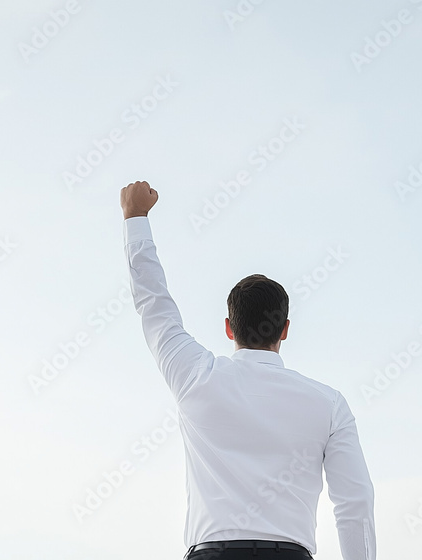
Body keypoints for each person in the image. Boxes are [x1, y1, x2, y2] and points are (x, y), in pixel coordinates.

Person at [120, 181, 376, 560]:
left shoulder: (195, 376)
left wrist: (135, 218)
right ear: (285, 329)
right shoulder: (330, 404)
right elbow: (355, 502)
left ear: (229, 327)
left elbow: (153, 304)